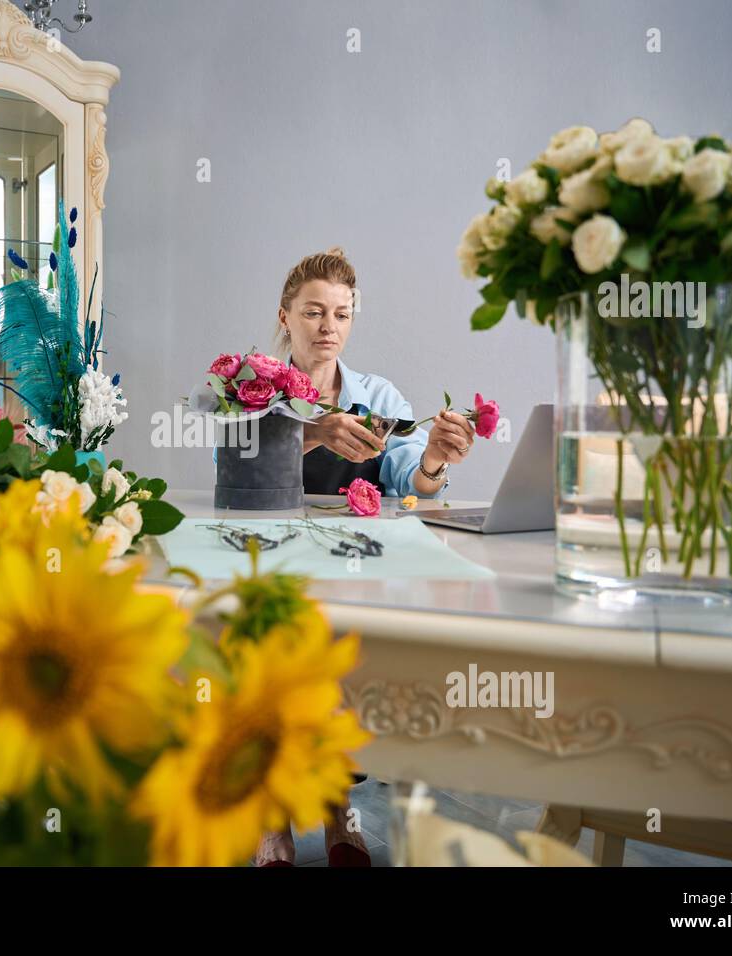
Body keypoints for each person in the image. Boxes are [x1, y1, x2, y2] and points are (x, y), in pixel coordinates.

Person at [255, 247, 476, 867]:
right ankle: (271, 820)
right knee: (273, 664)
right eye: (315, 312)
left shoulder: (377, 394)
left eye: (342, 314)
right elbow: (235, 466)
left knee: (345, 670)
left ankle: (334, 808)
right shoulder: (254, 391)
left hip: (351, 560)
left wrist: (434, 458)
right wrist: (311, 432)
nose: (329, 327)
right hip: (269, 557)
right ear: (286, 316)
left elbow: (415, 482)